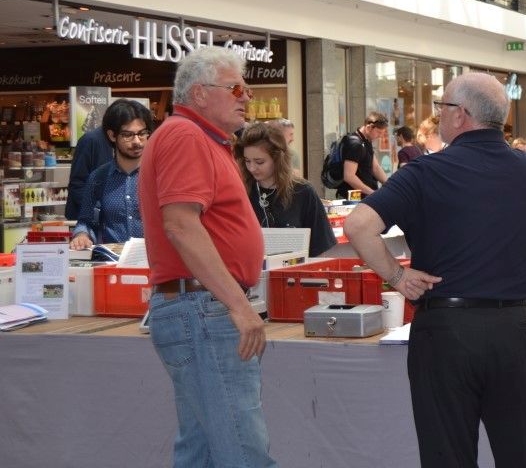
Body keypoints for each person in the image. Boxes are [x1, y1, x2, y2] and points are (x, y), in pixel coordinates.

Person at [344, 72, 526, 468]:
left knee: (448, 455)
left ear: (460, 115)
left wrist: (397, 276)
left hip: (446, 329)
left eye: (442, 107)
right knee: (521, 453)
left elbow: (358, 225)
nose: (439, 115)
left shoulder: (425, 172)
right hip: (514, 326)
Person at [138, 46, 276, 466]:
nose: (246, 97)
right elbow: (181, 225)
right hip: (203, 307)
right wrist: (238, 306)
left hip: (198, 304)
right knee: (241, 449)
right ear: (199, 94)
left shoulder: (199, 139)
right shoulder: (185, 136)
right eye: (236, 87)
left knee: (203, 450)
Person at [236, 123, 336, 257]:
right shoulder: (240, 190)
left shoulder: (303, 192)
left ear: (278, 159)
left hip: (294, 273)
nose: (252, 168)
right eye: (247, 161)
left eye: (259, 162)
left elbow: (319, 247)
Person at [70, 99, 154, 250]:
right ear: (112, 135)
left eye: (142, 133)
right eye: (128, 135)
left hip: (154, 263)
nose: (137, 141)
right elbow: (86, 221)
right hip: (113, 263)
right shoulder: (98, 178)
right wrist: (81, 235)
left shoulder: (160, 175)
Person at [335, 113, 389, 199]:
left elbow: (375, 167)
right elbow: (349, 176)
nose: (380, 136)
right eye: (379, 132)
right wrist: (373, 193)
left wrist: (390, 185)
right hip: (353, 199)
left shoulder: (366, 141)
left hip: (366, 196)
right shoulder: (355, 145)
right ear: (369, 127)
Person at [64, 128, 114, 221]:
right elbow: (77, 184)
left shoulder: (129, 144)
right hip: (84, 220)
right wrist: (98, 211)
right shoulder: (91, 140)